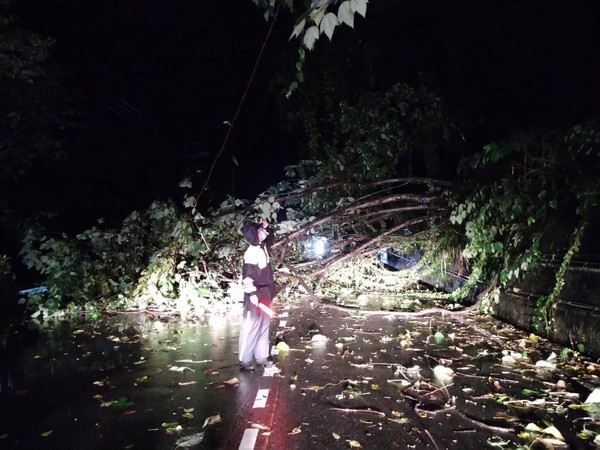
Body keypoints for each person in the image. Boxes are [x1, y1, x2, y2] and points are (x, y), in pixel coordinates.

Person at [238, 221, 277, 371]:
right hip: (255, 294)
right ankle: (245, 360)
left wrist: (265, 226)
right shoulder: (252, 252)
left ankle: (262, 357)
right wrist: (252, 294)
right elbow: (247, 277)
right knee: (251, 326)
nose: (264, 233)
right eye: (260, 231)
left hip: (265, 293)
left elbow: (271, 237)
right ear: (255, 235)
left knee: (263, 326)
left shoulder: (263, 248)